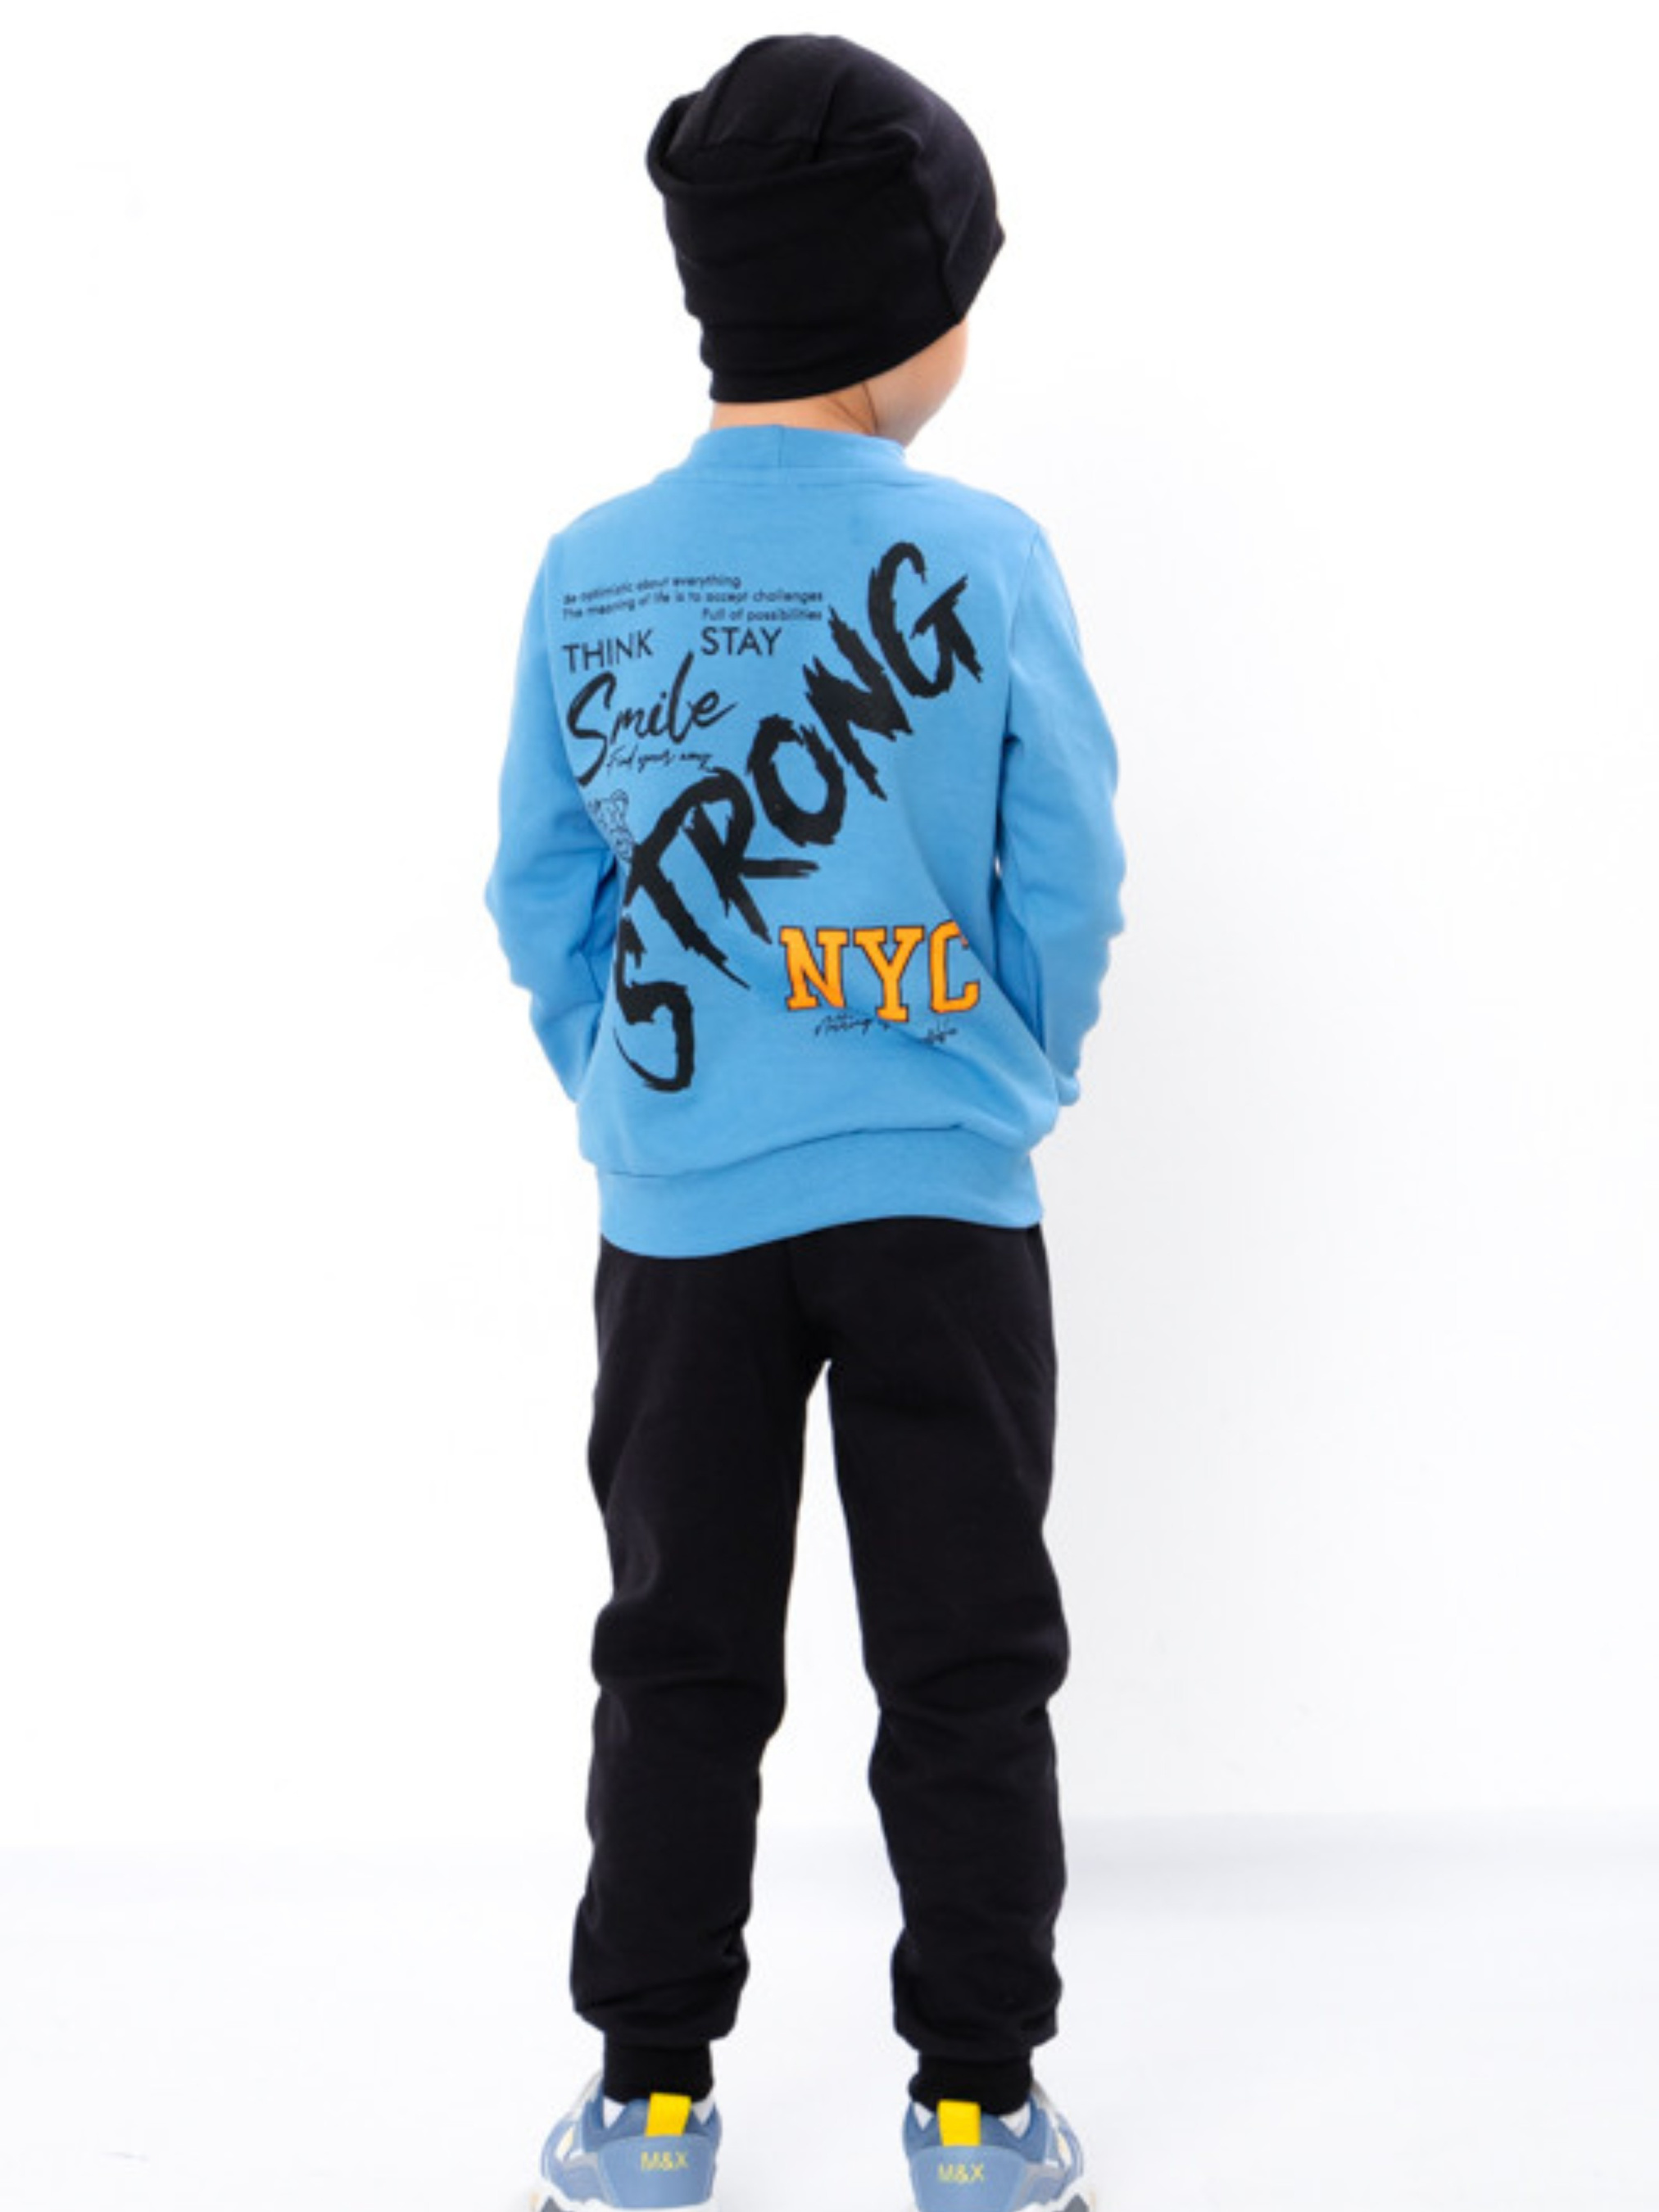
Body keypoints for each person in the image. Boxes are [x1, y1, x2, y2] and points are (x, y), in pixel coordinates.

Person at [484, 33, 1126, 2212]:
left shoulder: (591, 565)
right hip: (943, 1201)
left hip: (679, 1217)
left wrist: (635, 1081)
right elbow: (1068, 868)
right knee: (969, 1655)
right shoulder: (985, 553)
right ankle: (979, 2111)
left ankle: (650, 2103)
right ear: (894, 312)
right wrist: (1012, 1069)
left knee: (675, 1652)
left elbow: (540, 883)